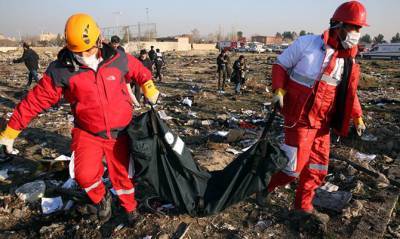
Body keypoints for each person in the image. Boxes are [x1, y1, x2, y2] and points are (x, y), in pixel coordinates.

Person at [0, 13, 160, 224]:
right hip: (88, 132)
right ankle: (102, 199)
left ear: (99, 38)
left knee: (123, 175)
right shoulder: (60, 70)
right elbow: (35, 101)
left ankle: (130, 209)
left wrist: (148, 86)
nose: (84, 54)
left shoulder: (118, 58)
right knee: (83, 174)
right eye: (78, 51)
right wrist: (10, 132)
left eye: (88, 49)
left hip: (120, 133)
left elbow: (140, 71)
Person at [256, 1, 368, 227]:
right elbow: (280, 65)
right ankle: (263, 187)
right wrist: (279, 90)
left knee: (317, 169)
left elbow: (349, 93)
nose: (357, 34)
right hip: (299, 119)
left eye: (359, 29)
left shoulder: (348, 60)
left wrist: (358, 116)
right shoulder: (306, 45)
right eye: (354, 28)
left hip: (322, 124)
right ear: (338, 25)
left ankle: (302, 206)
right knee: (292, 169)